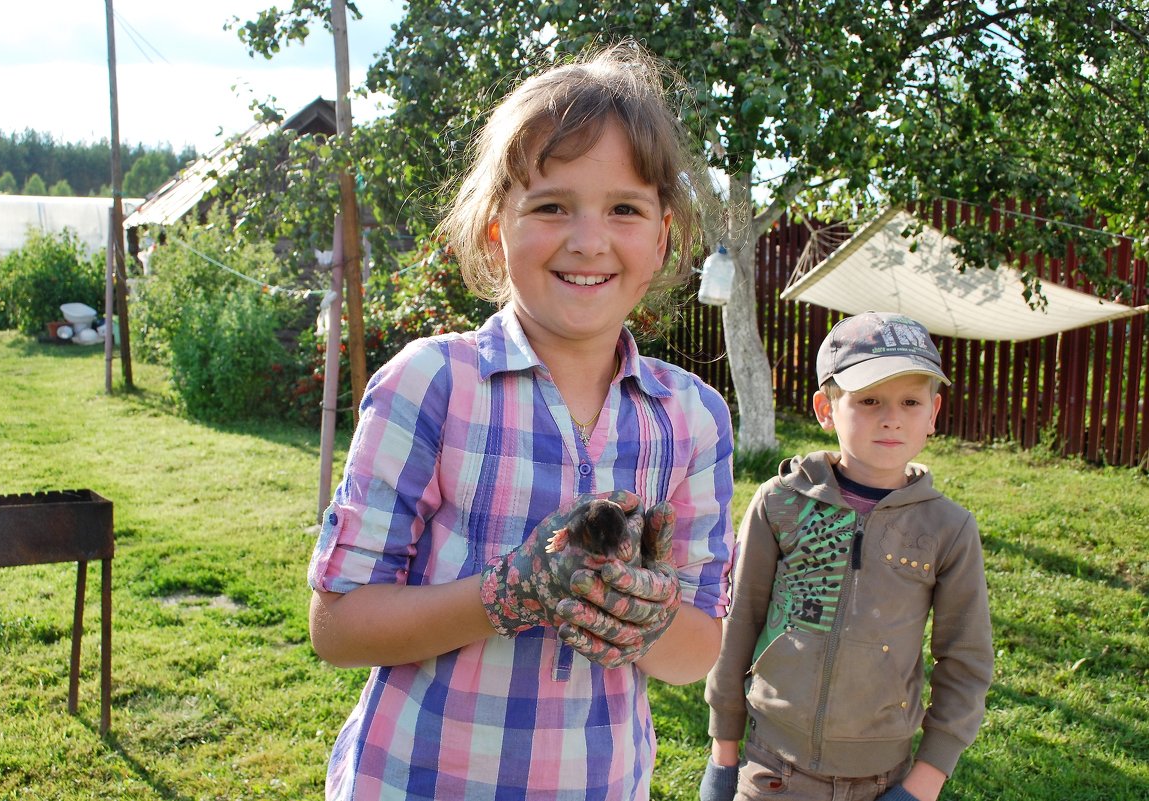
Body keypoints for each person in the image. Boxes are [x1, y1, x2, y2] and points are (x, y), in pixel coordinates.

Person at [307, 42, 735, 801]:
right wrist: (513, 590)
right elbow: (338, 627)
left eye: (624, 209)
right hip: (413, 781)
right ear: (495, 230)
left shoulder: (691, 419)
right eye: (550, 206)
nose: (587, 239)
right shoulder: (430, 383)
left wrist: (646, 612)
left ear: (662, 235)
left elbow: (696, 651)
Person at [702, 311, 994, 801]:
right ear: (825, 407)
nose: (891, 417)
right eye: (869, 400)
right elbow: (738, 621)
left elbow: (965, 661)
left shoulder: (949, 529)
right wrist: (723, 754)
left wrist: (925, 782)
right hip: (771, 770)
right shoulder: (779, 503)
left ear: (934, 412)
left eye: (909, 401)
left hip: (884, 782)